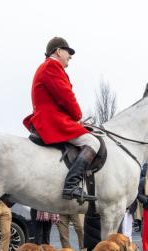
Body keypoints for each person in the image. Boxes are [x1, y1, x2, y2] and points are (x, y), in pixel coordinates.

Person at [23, 37, 97, 203]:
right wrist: (78, 117)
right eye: (68, 52)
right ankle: (71, 185)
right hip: (52, 120)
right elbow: (66, 97)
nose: (70, 56)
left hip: (51, 117)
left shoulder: (47, 67)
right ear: (58, 51)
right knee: (93, 142)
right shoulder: (52, 66)